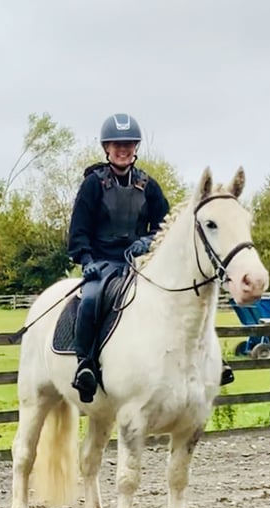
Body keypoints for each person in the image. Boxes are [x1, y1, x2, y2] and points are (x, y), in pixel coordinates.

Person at [67, 113, 170, 403]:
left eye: (128, 144)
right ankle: (85, 365)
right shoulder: (92, 185)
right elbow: (78, 230)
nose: (123, 150)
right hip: (102, 262)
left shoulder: (149, 185)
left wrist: (147, 241)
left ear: (135, 148)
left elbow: (166, 226)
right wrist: (86, 260)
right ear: (107, 148)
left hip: (141, 262)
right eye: (117, 145)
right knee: (91, 299)